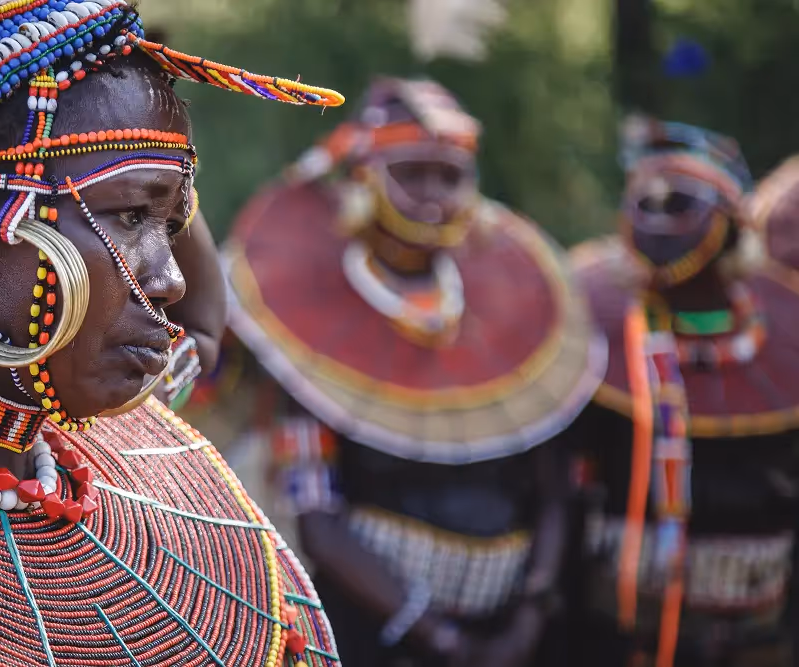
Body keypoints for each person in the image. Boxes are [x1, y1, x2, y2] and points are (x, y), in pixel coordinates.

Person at [0, 1, 346, 665]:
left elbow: (199, 315)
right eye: (128, 216)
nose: (170, 278)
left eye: (170, 224)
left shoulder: (169, 511)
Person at [223, 77, 606, 667]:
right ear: (367, 179)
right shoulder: (310, 325)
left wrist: (530, 615)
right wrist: (433, 633)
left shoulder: (520, 312)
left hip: (515, 630)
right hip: (372, 633)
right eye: (411, 172)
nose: (432, 195)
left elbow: (555, 486)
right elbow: (318, 516)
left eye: (448, 175)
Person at [570, 118, 799, 667]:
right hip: (618, 637)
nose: (659, 220)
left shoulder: (780, 334)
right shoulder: (594, 336)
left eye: (680, 203)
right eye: (645, 202)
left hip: (757, 634)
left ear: (732, 225)